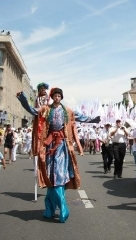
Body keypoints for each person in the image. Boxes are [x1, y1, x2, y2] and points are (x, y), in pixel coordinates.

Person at [18, 87, 90, 223]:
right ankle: (49, 208)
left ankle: (63, 208)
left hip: (62, 145)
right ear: (53, 97)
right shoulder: (46, 109)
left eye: (59, 96)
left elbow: (81, 117)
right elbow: (32, 111)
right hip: (49, 145)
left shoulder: (67, 111)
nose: (57, 97)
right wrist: (23, 100)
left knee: (58, 176)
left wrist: (95, 119)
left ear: (61, 97)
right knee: (50, 176)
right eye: (55, 95)